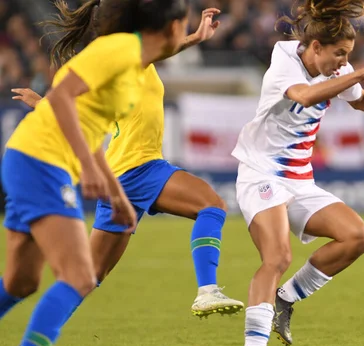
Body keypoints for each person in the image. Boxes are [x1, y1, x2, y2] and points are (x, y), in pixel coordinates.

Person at [231, 0, 364, 346]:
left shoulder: (337, 69)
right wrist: (361, 73)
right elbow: (305, 95)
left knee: (358, 236)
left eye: (349, 56)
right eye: (339, 54)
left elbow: (361, 101)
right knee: (276, 257)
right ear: (315, 47)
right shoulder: (284, 61)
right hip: (260, 175)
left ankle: (285, 298)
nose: (344, 62)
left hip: (298, 180)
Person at [0, 0, 189, 346]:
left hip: (32, 158)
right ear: (172, 26)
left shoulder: (134, 67)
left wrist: (116, 193)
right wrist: (85, 166)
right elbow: (61, 98)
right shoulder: (117, 50)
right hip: (43, 161)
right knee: (80, 277)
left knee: (20, 282)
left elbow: (93, 131)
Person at [12, 0, 244, 323]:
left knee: (88, 277)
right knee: (213, 205)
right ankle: (206, 291)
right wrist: (42, 104)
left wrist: (196, 37)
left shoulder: (136, 56)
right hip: (137, 168)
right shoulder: (120, 60)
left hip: (128, 171)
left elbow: (166, 49)